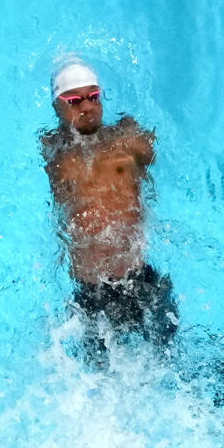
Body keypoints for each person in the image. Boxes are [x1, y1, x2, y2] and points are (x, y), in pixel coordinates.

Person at [41, 58, 179, 359]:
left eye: (94, 97)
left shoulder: (128, 140)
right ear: (57, 106)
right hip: (91, 291)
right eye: (74, 100)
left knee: (168, 364)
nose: (87, 107)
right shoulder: (54, 150)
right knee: (97, 386)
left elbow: (159, 147)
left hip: (140, 279)